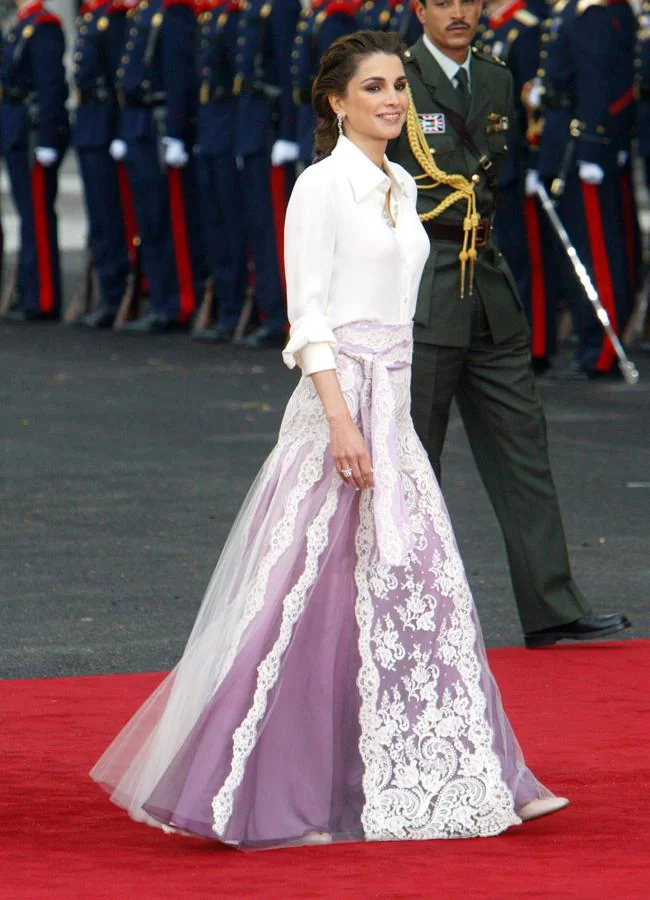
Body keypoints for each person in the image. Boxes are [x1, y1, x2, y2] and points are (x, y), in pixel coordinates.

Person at [91, 30, 568, 849]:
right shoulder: (320, 186)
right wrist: (342, 419)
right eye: (374, 88)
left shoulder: (402, 183)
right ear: (336, 102)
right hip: (340, 405)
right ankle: (260, 788)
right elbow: (307, 313)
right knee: (299, 597)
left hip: (391, 404)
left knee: (422, 587)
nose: (392, 99)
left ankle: (479, 771)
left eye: (397, 87)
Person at [388, 0, 630, 647]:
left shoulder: (495, 77)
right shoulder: (392, 76)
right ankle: (409, 614)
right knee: (415, 458)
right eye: (443, 2)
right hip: (421, 285)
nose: (460, 13)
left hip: (487, 286)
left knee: (523, 447)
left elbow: (493, 180)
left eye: (470, 0)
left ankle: (552, 606)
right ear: (418, 9)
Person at [535, 0, 638, 377]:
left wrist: (595, 144)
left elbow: (600, 79)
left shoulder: (594, 11)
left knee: (597, 249)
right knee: (577, 246)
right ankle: (589, 343)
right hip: (564, 139)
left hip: (584, 143)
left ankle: (604, 349)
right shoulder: (571, 9)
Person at [113, 0, 206, 334]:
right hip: (139, 124)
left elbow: (180, 74)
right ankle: (160, 297)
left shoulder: (173, 10)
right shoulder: (144, 11)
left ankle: (178, 301)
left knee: (171, 221)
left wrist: (176, 133)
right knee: (149, 219)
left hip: (159, 125)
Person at [475, 0, 556, 374]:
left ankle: (535, 342)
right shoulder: (491, 27)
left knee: (528, 259)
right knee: (502, 256)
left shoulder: (524, 26)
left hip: (517, 160)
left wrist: (536, 163)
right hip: (491, 161)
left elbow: (530, 104)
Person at [0, 0, 69, 322]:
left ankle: (42, 297)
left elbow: (50, 86)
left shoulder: (44, 26)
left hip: (31, 134)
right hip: (16, 131)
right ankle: (30, 291)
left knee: (38, 218)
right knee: (29, 216)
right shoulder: (20, 25)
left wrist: (46, 138)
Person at [71, 0, 131, 329]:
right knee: (98, 219)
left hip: (105, 126)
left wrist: (118, 131)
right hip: (89, 126)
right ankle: (107, 292)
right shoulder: (92, 15)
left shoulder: (114, 18)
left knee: (109, 217)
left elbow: (115, 79)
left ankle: (115, 292)